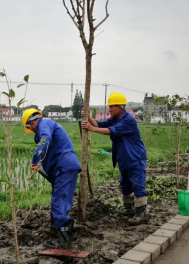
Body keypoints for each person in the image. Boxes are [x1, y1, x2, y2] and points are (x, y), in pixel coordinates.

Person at [81, 93, 148, 225]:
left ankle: (142, 214)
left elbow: (110, 131)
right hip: (124, 158)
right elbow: (100, 125)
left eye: (111, 107)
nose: (109, 109)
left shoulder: (128, 120)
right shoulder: (115, 119)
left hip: (134, 158)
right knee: (125, 185)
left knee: (138, 185)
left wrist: (91, 128)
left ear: (119, 106)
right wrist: (88, 118)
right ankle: (129, 209)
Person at [22, 108, 81, 247]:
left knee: (58, 202)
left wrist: (36, 159)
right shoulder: (49, 125)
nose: (32, 129)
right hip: (67, 167)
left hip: (64, 166)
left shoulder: (44, 125)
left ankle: (63, 240)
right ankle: (58, 231)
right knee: (62, 200)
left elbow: (45, 139)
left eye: (30, 126)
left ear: (31, 122)